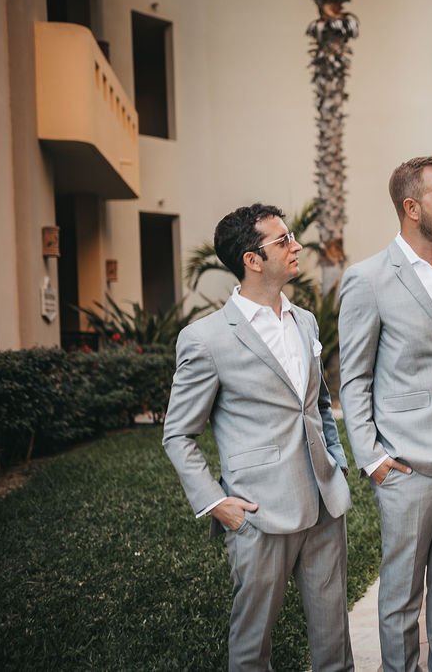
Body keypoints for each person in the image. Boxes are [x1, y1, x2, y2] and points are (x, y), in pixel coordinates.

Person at [162, 203, 353, 672]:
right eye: (283, 240)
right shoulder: (206, 338)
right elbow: (178, 434)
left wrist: (337, 464)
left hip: (326, 506)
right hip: (257, 512)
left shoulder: (305, 321)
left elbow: (318, 404)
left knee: (335, 642)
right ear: (252, 259)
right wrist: (217, 503)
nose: (296, 246)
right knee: (252, 647)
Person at [338, 155, 432, 672]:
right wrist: (372, 458)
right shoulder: (368, 279)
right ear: (411, 207)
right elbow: (354, 378)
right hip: (406, 464)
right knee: (401, 595)